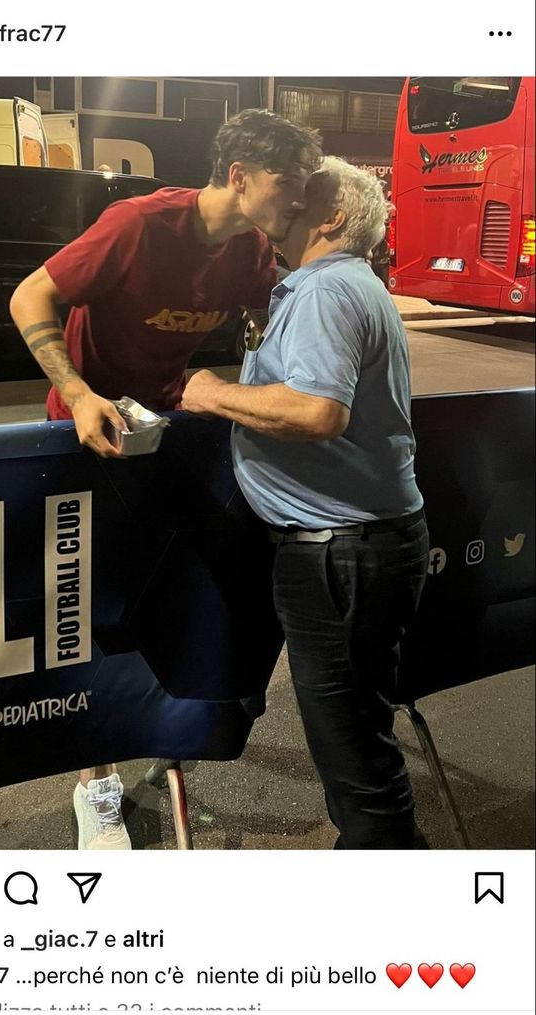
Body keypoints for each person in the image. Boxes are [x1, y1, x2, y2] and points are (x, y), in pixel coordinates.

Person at [9, 109, 323, 850]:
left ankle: (167, 732)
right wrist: (81, 393)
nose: (299, 200)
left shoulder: (251, 250)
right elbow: (29, 298)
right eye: (291, 184)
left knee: (174, 595)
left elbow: (262, 317)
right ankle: (95, 787)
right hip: (85, 434)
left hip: (166, 434)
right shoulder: (138, 224)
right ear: (240, 176)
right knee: (97, 611)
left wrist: (257, 372)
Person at [181, 158, 430, 849]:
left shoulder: (327, 291)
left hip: (338, 554)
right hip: (359, 546)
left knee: (356, 760)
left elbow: (319, 410)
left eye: (304, 192)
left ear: (333, 219)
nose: (285, 198)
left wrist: (207, 391)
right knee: (359, 742)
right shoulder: (344, 286)